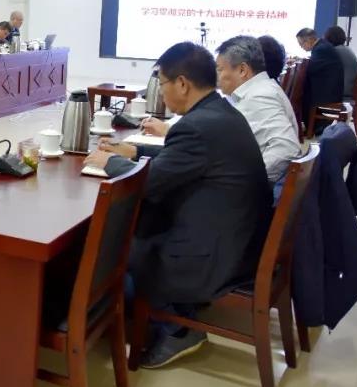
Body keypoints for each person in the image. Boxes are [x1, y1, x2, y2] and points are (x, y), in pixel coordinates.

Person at [85, 42, 271, 368]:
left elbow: (147, 184)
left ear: (182, 84)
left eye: (163, 84)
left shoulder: (195, 127)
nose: (162, 92)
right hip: (239, 238)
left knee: (118, 244)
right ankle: (162, 309)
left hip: (215, 255)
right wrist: (136, 152)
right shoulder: (220, 112)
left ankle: (177, 328)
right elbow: (186, 159)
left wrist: (108, 162)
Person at [214, 36, 301, 185]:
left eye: (220, 69)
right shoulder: (262, 88)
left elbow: (287, 149)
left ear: (242, 70)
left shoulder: (259, 96)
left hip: (252, 191)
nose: (217, 76)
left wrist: (238, 181)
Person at [296, 27, 345, 121]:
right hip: (331, 89)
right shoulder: (322, 46)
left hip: (329, 94)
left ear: (310, 40)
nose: (301, 47)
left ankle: (311, 124)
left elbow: (310, 69)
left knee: (300, 95)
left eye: (301, 44)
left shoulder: (321, 49)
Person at [324, 25, 357, 99]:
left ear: (328, 37)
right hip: (349, 89)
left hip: (342, 92)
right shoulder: (346, 49)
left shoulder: (335, 51)